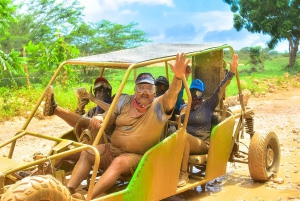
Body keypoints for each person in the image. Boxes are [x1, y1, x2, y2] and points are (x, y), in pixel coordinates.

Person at [67, 53, 190, 199]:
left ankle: (88, 197)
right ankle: (68, 191)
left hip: (140, 157)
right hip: (112, 149)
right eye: (141, 88)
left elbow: (172, 94)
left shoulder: (159, 106)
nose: (144, 92)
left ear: (154, 92)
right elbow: (110, 115)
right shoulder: (124, 100)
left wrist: (177, 77)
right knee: (87, 152)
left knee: (119, 162)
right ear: (135, 90)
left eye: (149, 89)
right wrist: (100, 117)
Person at [177, 54, 239, 187]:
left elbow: (220, 89)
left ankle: (183, 174)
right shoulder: (184, 107)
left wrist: (232, 72)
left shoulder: (207, 105)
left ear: (202, 94)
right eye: (192, 92)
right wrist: (182, 78)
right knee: (172, 131)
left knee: (183, 137)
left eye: (198, 94)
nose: (195, 96)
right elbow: (175, 99)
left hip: (202, 143)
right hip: (184, 141)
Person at [43, 77, 112, 128]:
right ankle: (54, 109)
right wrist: (80, 109)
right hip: (91, 138)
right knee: (85, 121)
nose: (102, 93)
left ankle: (54, 109)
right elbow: (77, 125)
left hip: (108, 140)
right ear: (95, 93)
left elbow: (114, 111)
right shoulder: (93, 111)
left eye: (105, 90)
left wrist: (94, 99)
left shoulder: (117, 108)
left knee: (88, 121)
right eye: (99, 91)